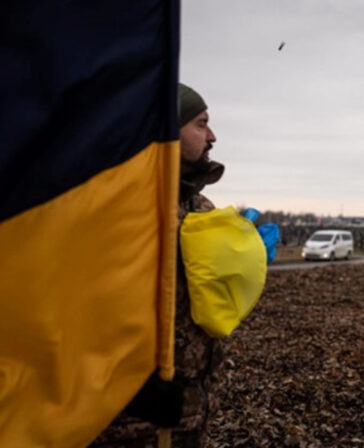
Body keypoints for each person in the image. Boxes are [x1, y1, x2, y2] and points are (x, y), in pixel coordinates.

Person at [92, 83, 224, 447]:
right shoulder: (117, 205)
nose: (212, 136)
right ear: (167, 127)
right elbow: (70, 306)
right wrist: (132, 388)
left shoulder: (201, 207)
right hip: (125, 421)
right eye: (201, 123)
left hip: (191, 412)